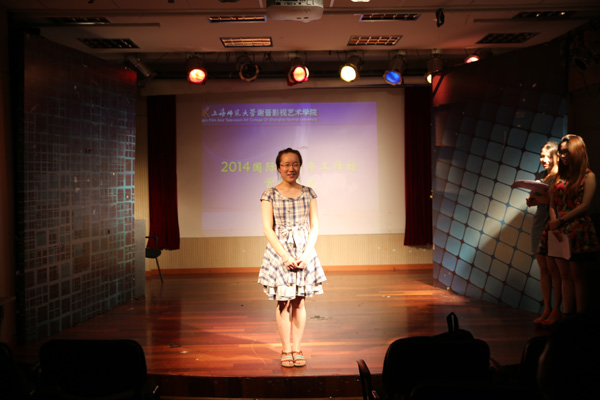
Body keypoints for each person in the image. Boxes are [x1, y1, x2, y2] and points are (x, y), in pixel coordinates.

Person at [258, 148, 327, 368]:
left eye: (295, 164)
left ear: (300, 166)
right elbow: (268, 229)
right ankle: (286, 349)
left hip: (303, 251)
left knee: (299, 302)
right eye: (286, 164)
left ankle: (297, 348)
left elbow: (315, 226)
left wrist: (306, 255)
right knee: (283, 302)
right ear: (279, 168)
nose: (291, 168)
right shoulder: (269, 194)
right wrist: (285, 256)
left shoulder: (308, 192)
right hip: (280, 253)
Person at [541, 134, 600, 319]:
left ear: (577, 151)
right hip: (557, 229)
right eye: (561, 152)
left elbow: (585, 205)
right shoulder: (560, 176)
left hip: (577, 230)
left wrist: (560, 221)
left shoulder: (588, 176)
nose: (562, 155)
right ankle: (567, 317)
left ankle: (579, 318)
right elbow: (552, 203)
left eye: (566, 152)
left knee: (577, 275)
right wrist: (554, 223)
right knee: (563, 275)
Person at [527, 142, 562, 327]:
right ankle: (547, 308)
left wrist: (540, 199)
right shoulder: (541, 176)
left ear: (556, 156)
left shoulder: (560, 175)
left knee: (554, 269)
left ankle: (557, 310)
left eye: (548, 156)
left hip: (552, 223)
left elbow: (556, 200)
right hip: (539, 222)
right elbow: (538, 200)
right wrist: (532, 200)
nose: (544, 159)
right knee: (544, 269)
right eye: (542, 156)